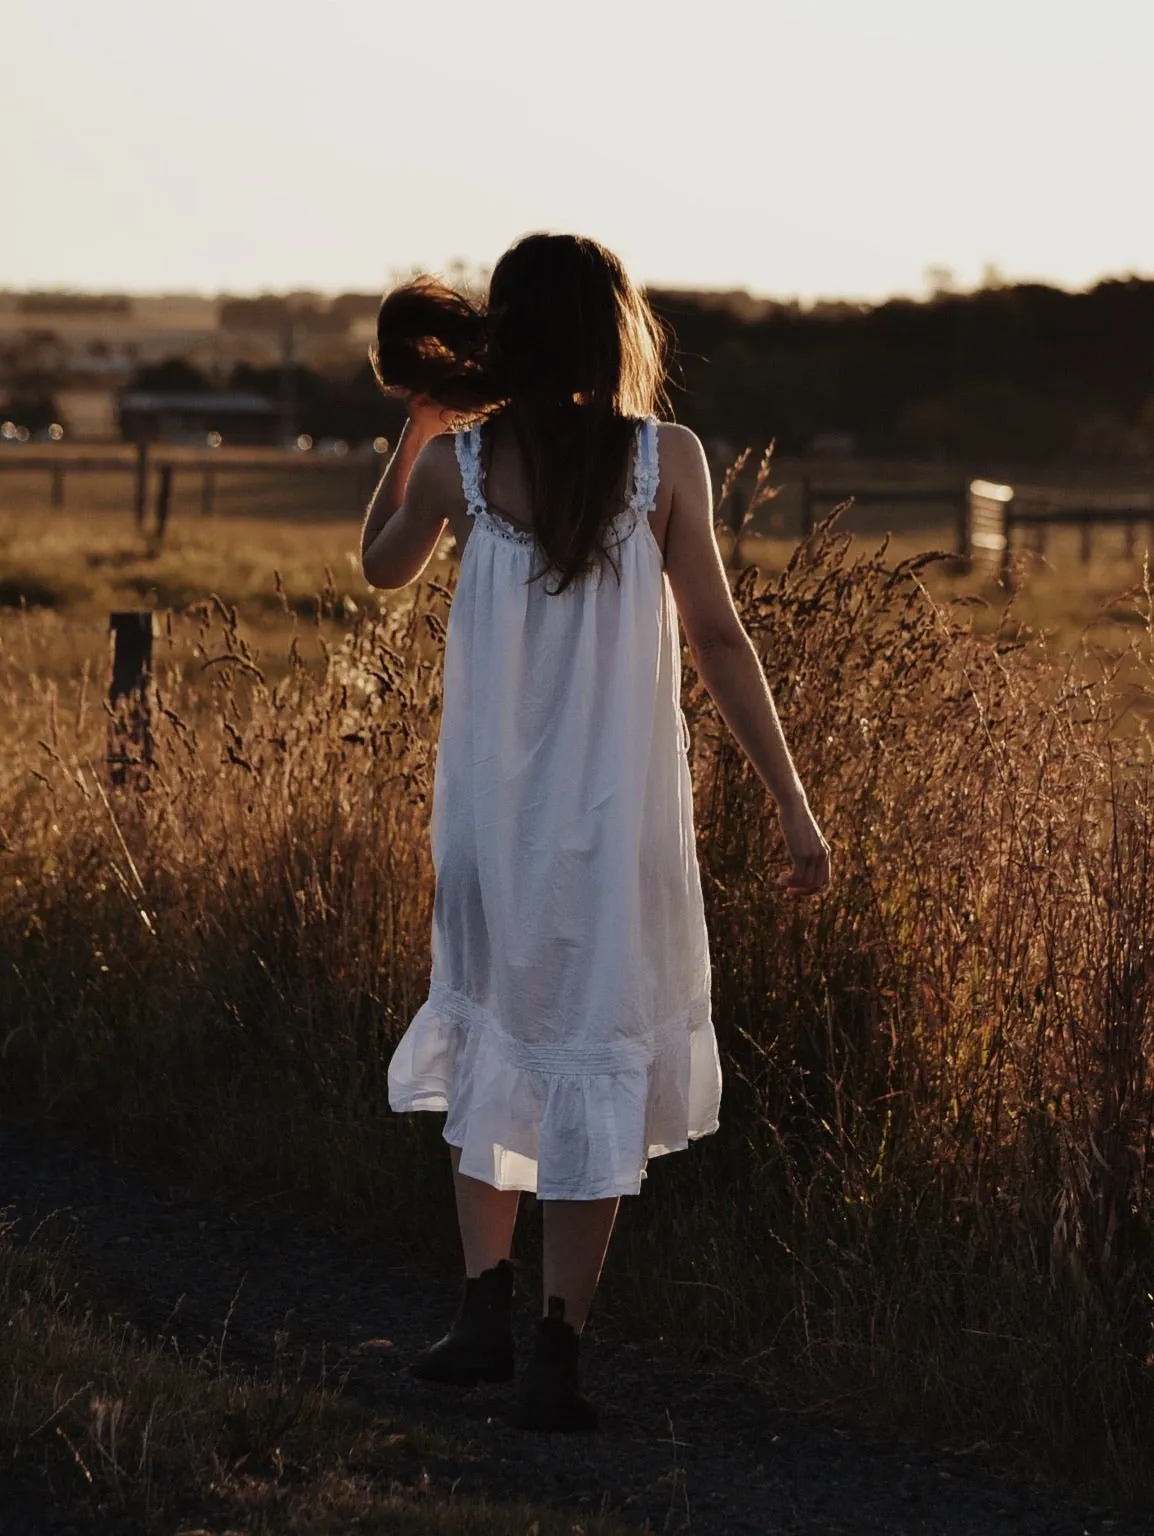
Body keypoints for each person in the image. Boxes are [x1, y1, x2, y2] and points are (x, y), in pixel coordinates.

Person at [360, 233, 831, 1433]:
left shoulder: (459, 466)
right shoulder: (664, 459)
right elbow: (720, 639)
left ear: (503, 335)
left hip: (488, 820)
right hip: (613, 827)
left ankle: (480, 1314)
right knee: (594, 1050)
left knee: (492, 1032)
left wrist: (420, 423)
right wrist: (789, 800)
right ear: (616, 330)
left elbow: (378, 569)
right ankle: (556, 1348)